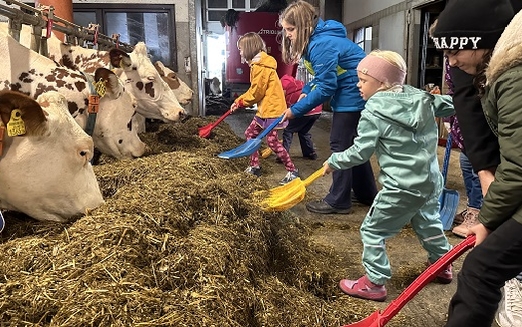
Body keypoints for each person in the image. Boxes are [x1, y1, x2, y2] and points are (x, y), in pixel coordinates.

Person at [322, 49, 454, 302]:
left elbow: (361, 152)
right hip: (429, 182)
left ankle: (374, 282)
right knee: (428, 222)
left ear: (381, 83)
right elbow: (452, 104)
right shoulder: (421, 97)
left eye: (363, 80)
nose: (358, 85)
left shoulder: (373, 112)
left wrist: (335, 160)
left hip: (400, 187)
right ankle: (443, 264)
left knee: (372, 230)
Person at [431, 0, 522, 326]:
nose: (451, 62)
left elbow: (519, 168)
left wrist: (489, 216)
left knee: (482, 268)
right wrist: (486, 170)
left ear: (483, 43)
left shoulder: (512, 79)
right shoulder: (495, 67)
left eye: (455, 52)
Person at [279, 0, 377, 214]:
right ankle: (366, 193)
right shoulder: (319, 39)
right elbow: (327, 74)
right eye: (286, 29)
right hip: (351, 89)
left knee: (339, 143)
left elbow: (327, 87)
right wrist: (308, 87)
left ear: (304, 25)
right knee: (352, 144)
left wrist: (295, 110)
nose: (287, 34)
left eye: (291, 29)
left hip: (354, 92)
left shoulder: (320, 44)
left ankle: (338, 200)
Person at [230, 32, 299, 185]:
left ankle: (292, 171)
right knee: (250, 133)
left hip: (272, 111)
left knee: (272, 142)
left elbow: (256, 93)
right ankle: (255, 166)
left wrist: (241, 103)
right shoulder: (257, 65)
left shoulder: (260, 67)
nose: (240, 52)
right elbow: (254, 90)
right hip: (265, 109)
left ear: (248, 49)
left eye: (241, 49)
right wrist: (238, 100)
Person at [442, 62, 483, 237]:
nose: (451, 60)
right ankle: (471, 207)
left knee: (478, 172)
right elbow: (453, 92)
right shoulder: (453, 64)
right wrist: (449, 117)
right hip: (463, 124)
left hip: (479, 124)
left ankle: (478, 212)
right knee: (465, 165)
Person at [280, 74, 322, 160]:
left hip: (305, 111)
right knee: (303, 131)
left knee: (288, 130)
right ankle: (310, 153)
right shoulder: (301, 86)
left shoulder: (290, 93)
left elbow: (290, 110)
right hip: (317, 110)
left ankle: (283, 155)